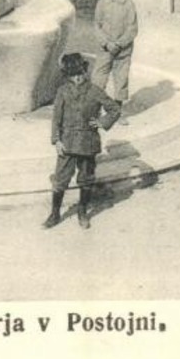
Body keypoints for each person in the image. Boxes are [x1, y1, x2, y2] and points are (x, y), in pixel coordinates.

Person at [44, 52, 121, 230]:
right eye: (73, 75)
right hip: (67, 143)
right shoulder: (62, 91)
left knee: (86, 180)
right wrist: (56, 140)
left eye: (80, 74)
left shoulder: (95, 91)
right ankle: (55, 214)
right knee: (60, 180)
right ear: (67, 76)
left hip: (88, 143)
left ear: (85, 72)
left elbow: (114, 109)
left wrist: (102, 122)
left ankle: (82, 212)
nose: (77, 78)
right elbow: (56, 118)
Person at [92, 0, 139, 112]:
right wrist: (106, 43)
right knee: (98, 78)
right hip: (105, 49)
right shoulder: (101, 3)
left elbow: (132, 28)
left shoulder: (129, 4)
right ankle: (95, 109)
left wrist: (119, 44)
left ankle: (116, 111)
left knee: (121, 79)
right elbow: (96, 25)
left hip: (122, 50)